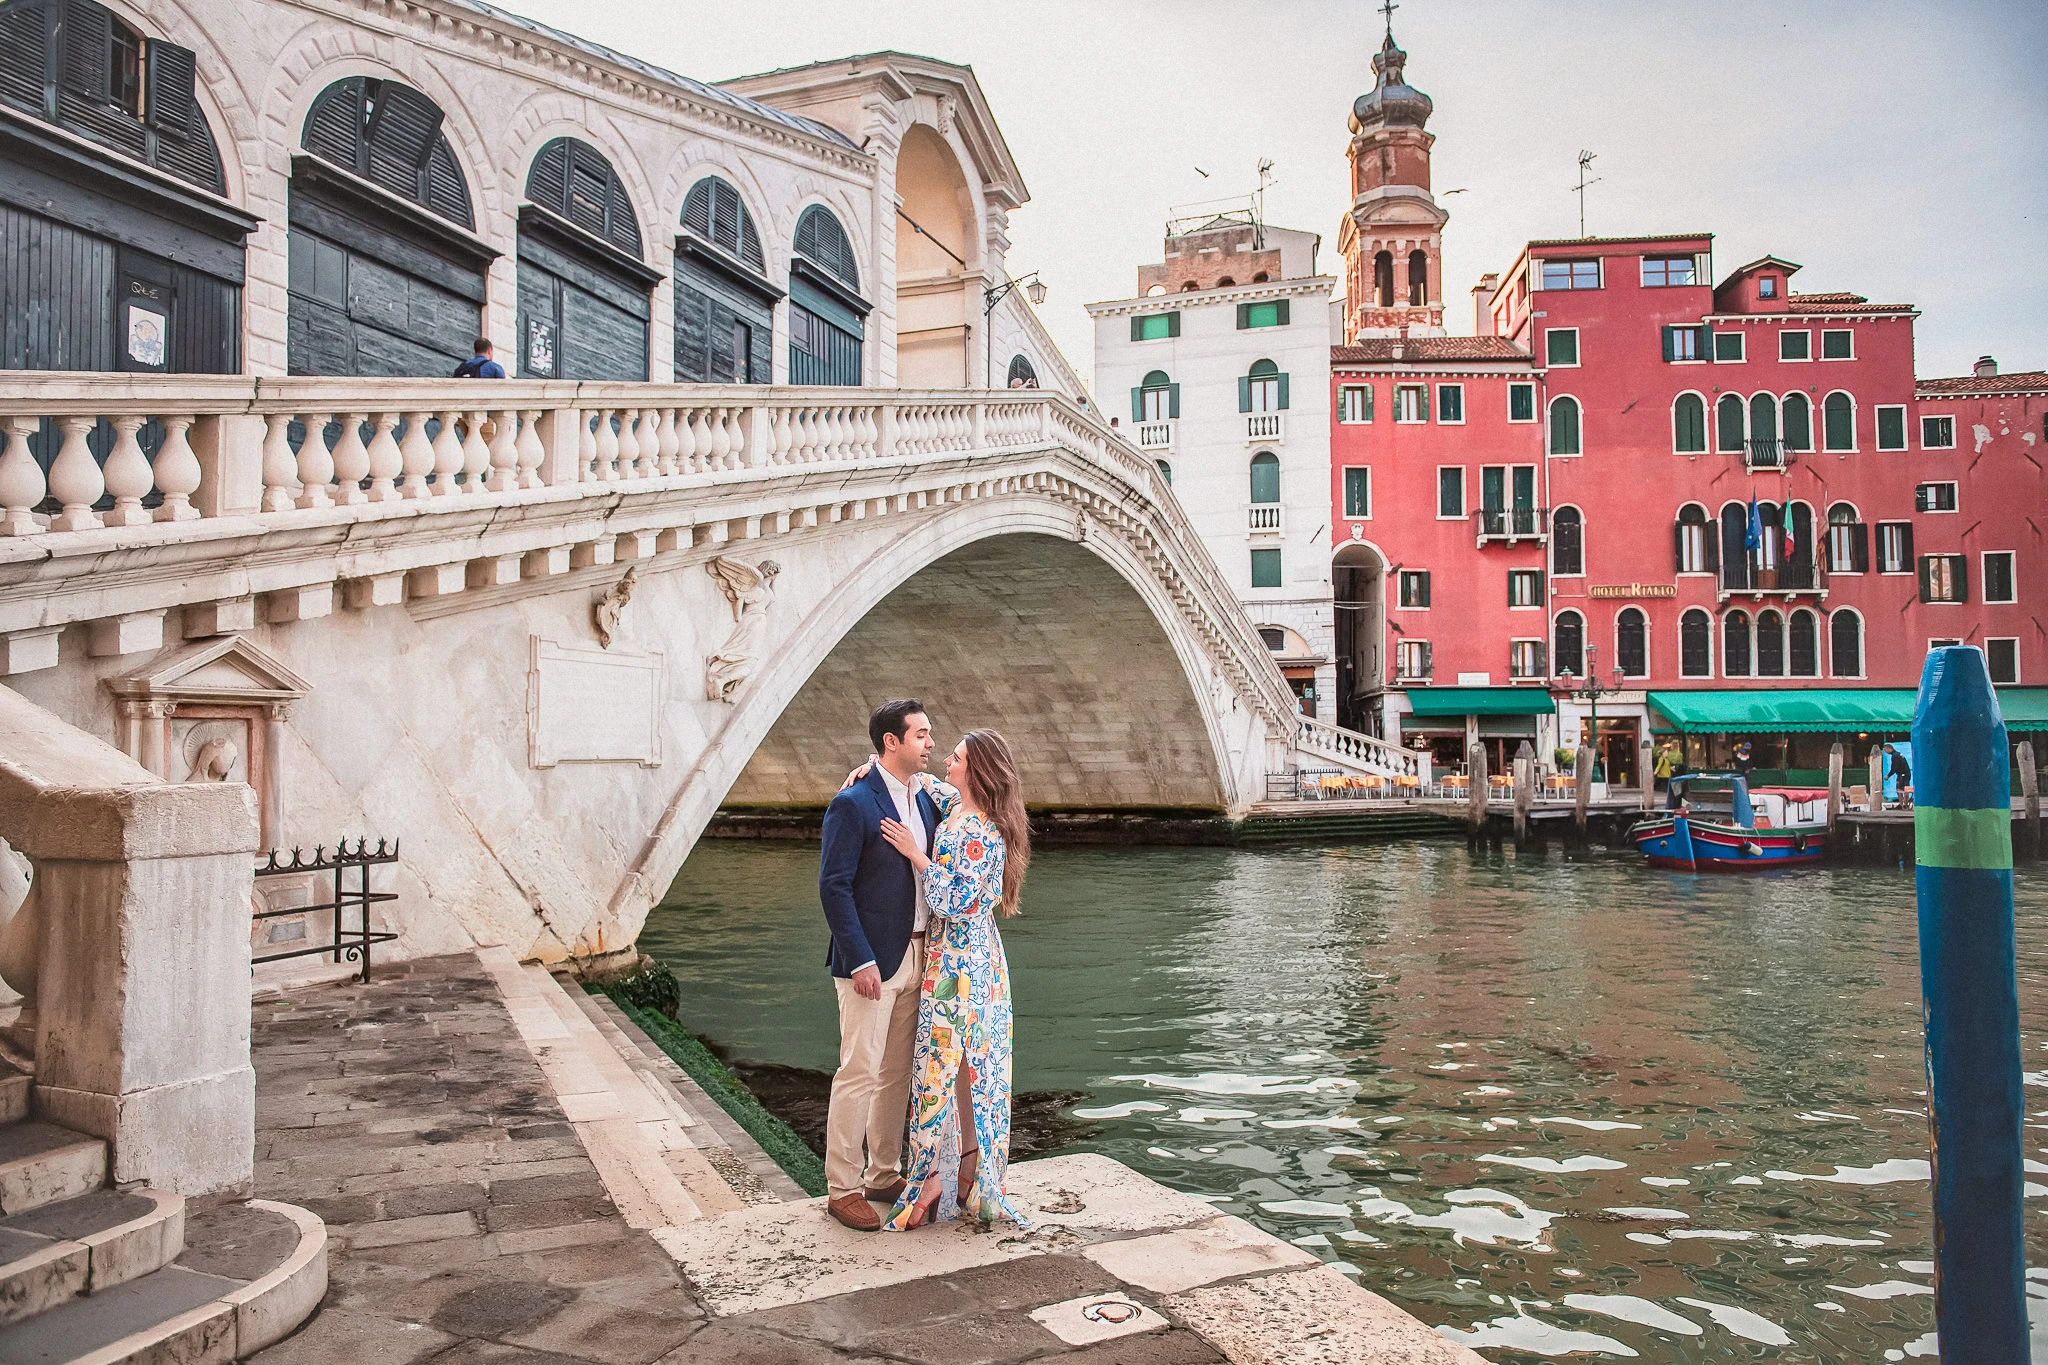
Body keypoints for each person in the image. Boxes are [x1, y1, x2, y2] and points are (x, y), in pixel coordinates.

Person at [875, 729, 1032, 1231]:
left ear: (977, 771)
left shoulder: (979, 830)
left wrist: (916, 857)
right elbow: (925, 782)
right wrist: (870, 765)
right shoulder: (959, 808)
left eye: (958, 758)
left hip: (963, 966)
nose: (947, 761)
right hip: (968, 963)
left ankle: (933, 1180)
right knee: (963, 1068)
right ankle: (966, 1169)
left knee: (942, 1067)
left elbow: (954, 902)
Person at [817, 701, 939, 1232]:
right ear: (892, 742)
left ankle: (882, 1172)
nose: (930, 743)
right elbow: (833, 886)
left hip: (917, 954)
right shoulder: (853, 802)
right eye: (921, 734)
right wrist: (859, 957)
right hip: (870, 963)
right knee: (858, 1072)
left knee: (895, 1075)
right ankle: (841, 1188)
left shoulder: (930, 801)